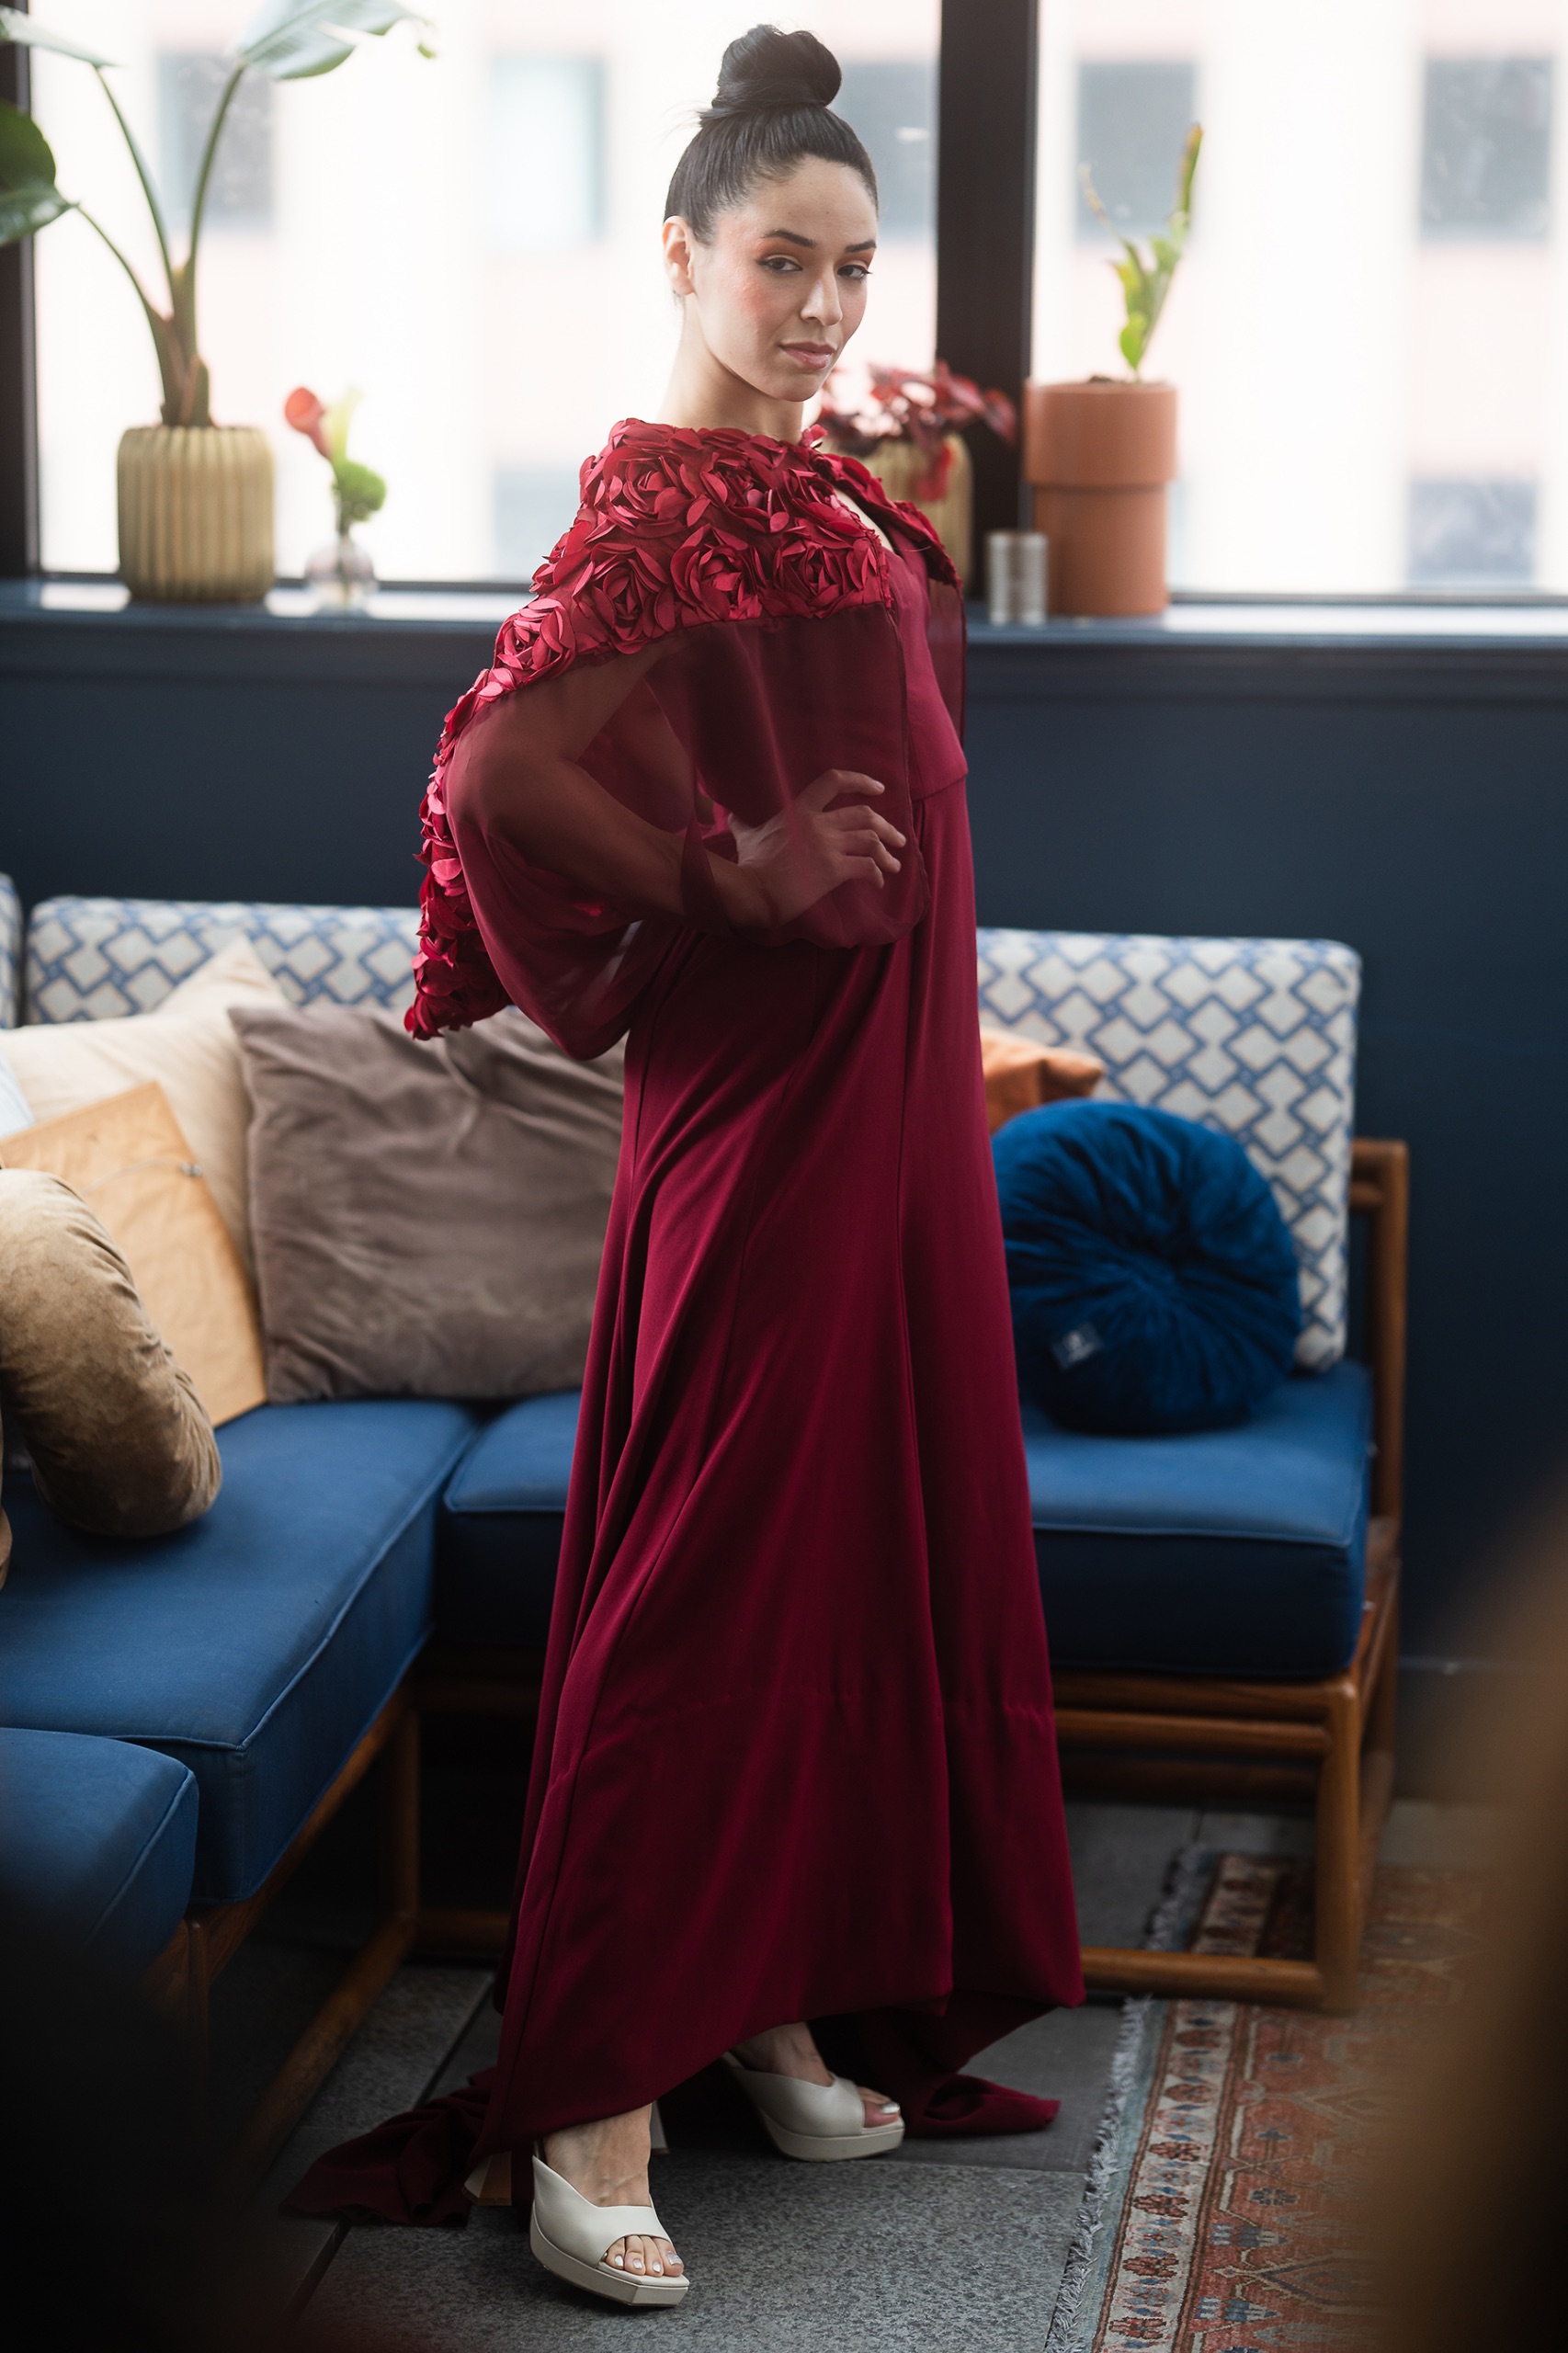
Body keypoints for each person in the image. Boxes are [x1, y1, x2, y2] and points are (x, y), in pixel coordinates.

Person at [289, 23, 1082, 2307]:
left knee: (837, 1561)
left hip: (889, 1117)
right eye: (780, 262)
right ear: (681, 254)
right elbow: (494, 773)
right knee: (709, 1592)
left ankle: (762, 1992)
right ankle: (589, 2097)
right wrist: (723, 878)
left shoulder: (821, 489)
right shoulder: (657, 498)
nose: (824, 306)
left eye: (852, 266)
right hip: (764, 1135)